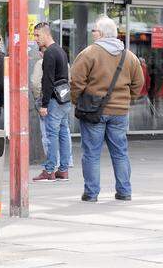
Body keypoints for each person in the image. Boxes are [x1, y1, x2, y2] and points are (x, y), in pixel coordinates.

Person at [70, 15, 144, 202]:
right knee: (120, 152)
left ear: (101, 33)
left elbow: (76, 82)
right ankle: (124, 191)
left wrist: (76, 101)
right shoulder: (129, 56)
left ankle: (91, 193)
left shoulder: (89, 53)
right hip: (120, 112)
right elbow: (139, 82)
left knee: (91, 153)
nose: (93, 33)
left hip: (94, 112)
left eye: (94, 30)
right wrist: (127, 99)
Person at [32, 22, 72, 182]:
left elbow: (47, 81)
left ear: (46, 34)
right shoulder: (61, 51)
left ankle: (49, 170)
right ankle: (63, 170)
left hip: (54, 101)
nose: (35, 39)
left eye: (37, 35)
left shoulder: (49, 53)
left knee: (52, 135)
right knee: (63, 134)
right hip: (64, 99)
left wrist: (44, 104)